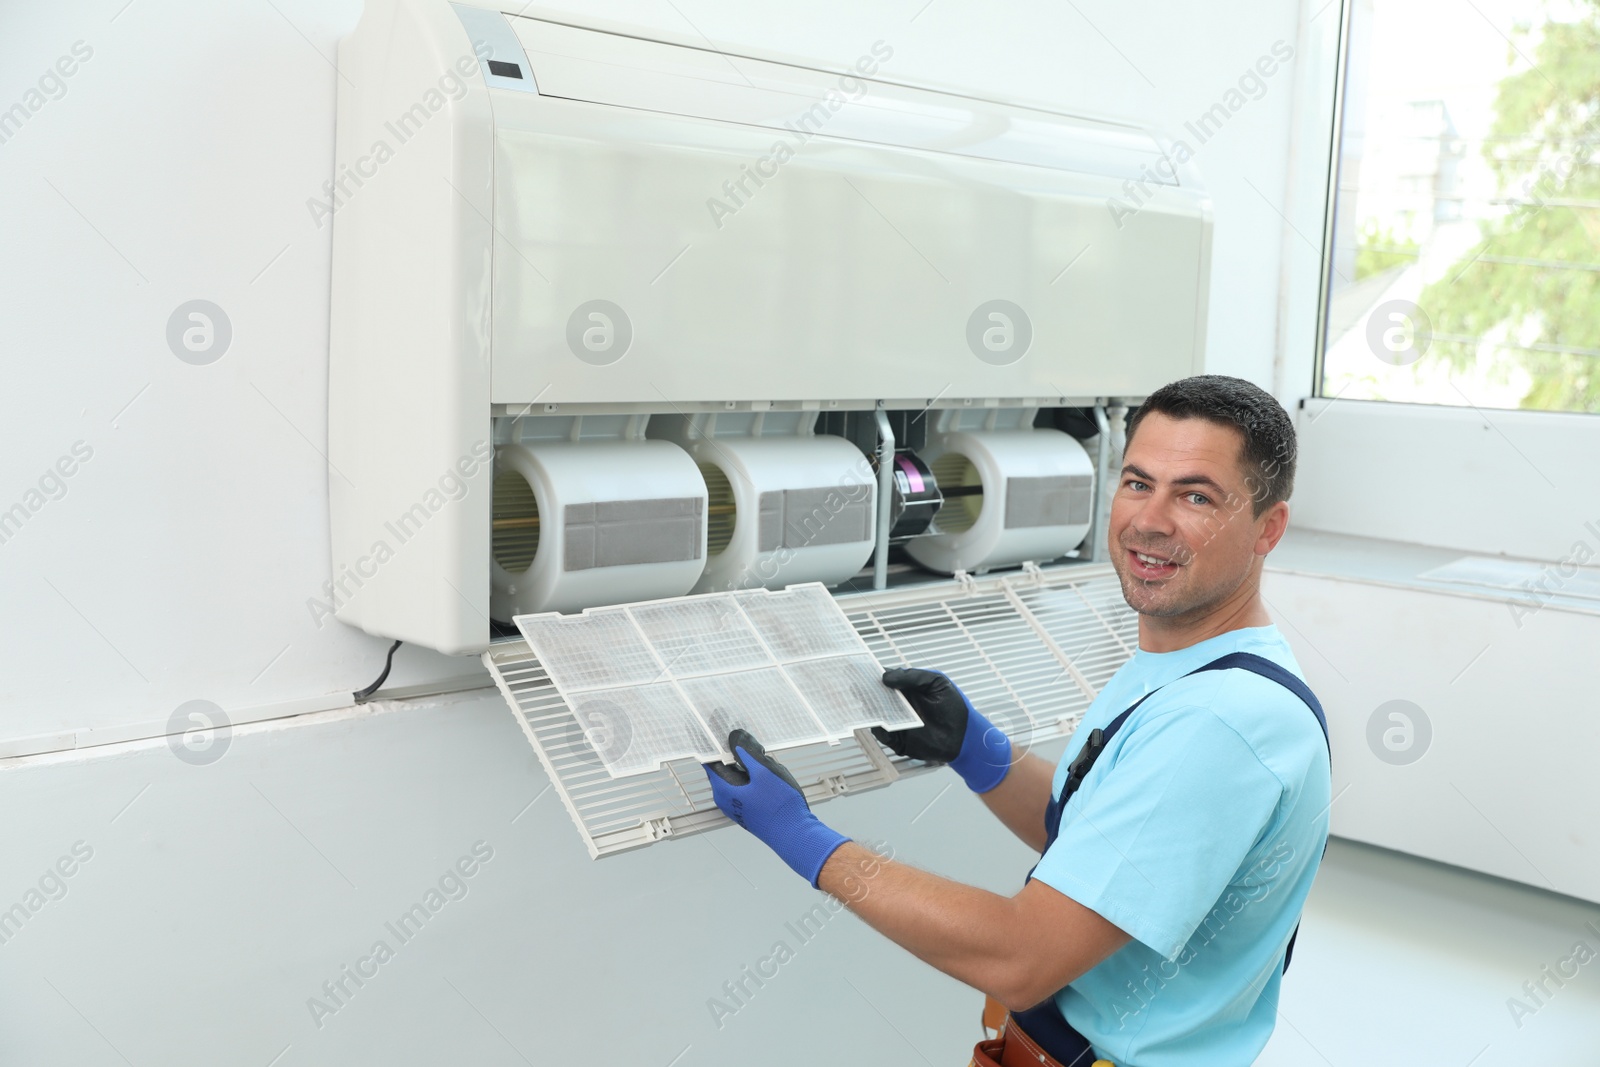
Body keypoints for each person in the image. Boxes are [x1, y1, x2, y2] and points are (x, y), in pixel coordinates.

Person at [703, 375, 1333, 1066]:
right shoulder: (1204, 663)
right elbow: (1111, 850)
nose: (1149, 520)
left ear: (1268, 527)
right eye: (1136, 482)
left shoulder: (1219, 725)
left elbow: (1021, 955)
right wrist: (980, 752)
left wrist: (804, 839)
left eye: (1195, 495)